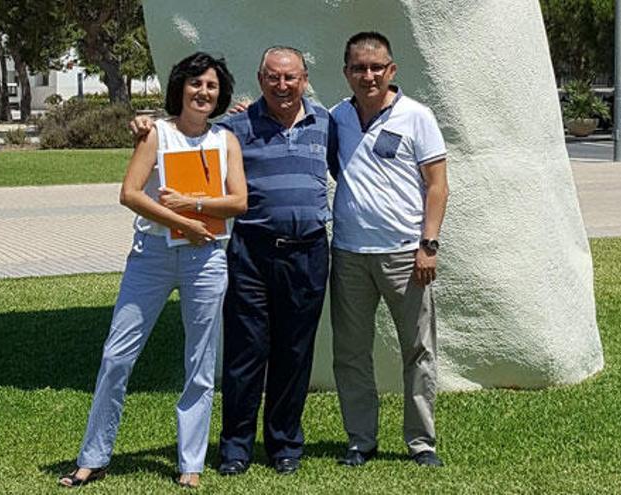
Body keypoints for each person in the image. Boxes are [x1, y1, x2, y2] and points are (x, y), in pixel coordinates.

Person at [131, 45, 338, 476]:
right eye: (273, 77)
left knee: (294, 352)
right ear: (260, 80)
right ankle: (236, 449)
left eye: (292, 77)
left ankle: (284, 445)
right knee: (246, 353)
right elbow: (187, 130)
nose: (283, 86)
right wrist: (144, 123)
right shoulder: (236, 127)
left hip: (310, 251)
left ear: (305, 80)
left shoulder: (327, 122)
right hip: (252, 252)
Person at [59, 52, 247, 489]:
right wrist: (182, 221)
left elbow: (239, 202)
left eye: (212, 86)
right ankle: (93, 456)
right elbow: (129, 193)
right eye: (196, 83)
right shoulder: (155, 134)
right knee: (116, 355)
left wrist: (194, 207)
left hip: (207, 259)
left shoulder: (225, 141)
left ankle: (191, 463)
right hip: (151, 257)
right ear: (180, 86)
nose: (204, 92)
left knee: (200, 364)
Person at [329, 31, 449, 468]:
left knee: (418, 350)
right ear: (346, 73)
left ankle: (421, 442)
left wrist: (428, 244)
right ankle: (361, 439)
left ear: (391, 70)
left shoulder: (417, 116)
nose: (368, 75)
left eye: (376, 67)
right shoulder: (336, 118)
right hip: (348, 254)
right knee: (351, 353)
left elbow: (437, 185)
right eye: (359, 67)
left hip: (406, 254)